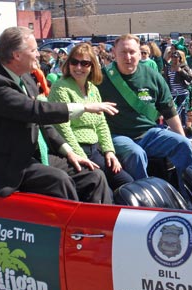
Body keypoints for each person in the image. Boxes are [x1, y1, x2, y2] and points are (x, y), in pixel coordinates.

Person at [0, 26, 118, 202]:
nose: (39, 54)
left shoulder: (26, 78)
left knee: (94, 176)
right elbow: (35, 111)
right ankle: (70, 229)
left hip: (33, 157)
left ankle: (99, 227)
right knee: (59, 181)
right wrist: (83, 107)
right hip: (6, 165)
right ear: (17, 55)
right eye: (33, 50)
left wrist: (69, 153)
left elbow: (43, 123)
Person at [97, 34, 192, 195]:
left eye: (132, 52)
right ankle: (146, 200)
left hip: (149, 134)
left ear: (140, 53)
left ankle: (191, 199)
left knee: (183, 145)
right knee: (136, 153)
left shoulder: (152, 75)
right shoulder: (101, 78)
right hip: (117, 136)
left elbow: (169, 110)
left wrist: (183, 137)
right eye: (123, 52)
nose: (128, 57)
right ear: (114, 52)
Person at [49, 42, 133, 191]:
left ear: (92, 66)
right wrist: (82, 157)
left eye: (85, 63)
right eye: (74, 62)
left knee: (127, 183)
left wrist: (109, 152)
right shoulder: (61, 87)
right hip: (76, 150)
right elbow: (62, 128)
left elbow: (101, 124)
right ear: (68, 64)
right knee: (104, 187)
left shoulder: (93, 89)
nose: (79, 67)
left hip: (96, 150)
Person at [163, 49, 192, 125]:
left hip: (183, 93)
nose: (174, 59)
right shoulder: (168, 68)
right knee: (172, 112)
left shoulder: (184, 67)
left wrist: (181, 71)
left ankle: (184, 127)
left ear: (179, 58)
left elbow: (190, 78)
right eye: (173, 57)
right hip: (172, 94)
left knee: (183, 112)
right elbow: (166, 80)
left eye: (176, 57)